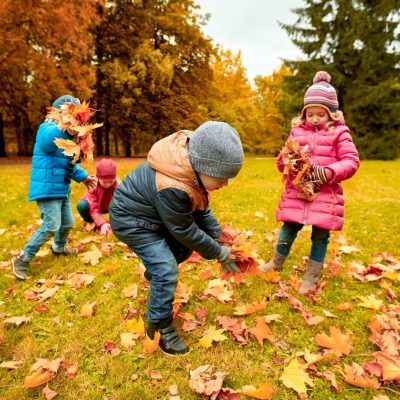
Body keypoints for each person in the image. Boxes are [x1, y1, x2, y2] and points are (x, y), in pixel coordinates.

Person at [110, 121, 244, 355]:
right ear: (203, 167)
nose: (225, 184)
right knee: (166, 269)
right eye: (221, 177)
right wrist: (218, 252)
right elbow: (185, 230)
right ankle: (159, 327)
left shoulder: (190, 173)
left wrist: (217, 235)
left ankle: (157, 276)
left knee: (181, 251)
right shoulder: (174, 185)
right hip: (134, 222)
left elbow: (201, 210)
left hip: (156, 219)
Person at [259, 71, 360, 294]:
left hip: (324, 194)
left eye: (320, 114)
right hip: (297, 191)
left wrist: (328, 172)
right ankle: (275, 263)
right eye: (310, 114)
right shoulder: (296, 132)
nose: (314, 119)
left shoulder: (340, 133)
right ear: (304, 113)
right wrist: (285, 160)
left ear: (331, 114)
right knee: (288, 229)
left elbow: (351, 161)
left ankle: (311, 278)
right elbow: (282, 161)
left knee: (320, 236)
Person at [11, 95, 97, 281]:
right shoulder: (47, 129)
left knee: (67, 223)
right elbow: (48, 143)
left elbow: (69, 164)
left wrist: (83, 178)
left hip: (61, 189)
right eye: (70, 115)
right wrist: (66, 130)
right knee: (51, 225)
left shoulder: (68, 140)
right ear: (60, 114)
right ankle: (22, 259)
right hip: (47, 188)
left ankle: (59, 246)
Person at [77, 158, 120, 235]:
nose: (108, 184)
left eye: (111, 181)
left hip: (110, 205)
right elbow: (94, 208)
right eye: (104, 182)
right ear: (98, 178)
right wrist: (102, 224)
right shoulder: (93, 185)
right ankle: (90, 222)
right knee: (82, 205)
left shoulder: (118, 185)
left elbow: (122, 203)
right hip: (96, 206)